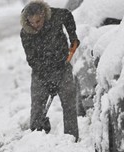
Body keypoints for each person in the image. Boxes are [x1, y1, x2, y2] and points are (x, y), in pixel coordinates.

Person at [20, 0, 80, 141]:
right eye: (32, 22)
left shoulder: (55, 15)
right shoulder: (26, 33)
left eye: (38, 21)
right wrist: (49, 79)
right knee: (37, 106)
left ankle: (71, 139)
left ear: (43, 15)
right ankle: (36, 137)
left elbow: (67, 14)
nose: (36, 25)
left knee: (69, 104)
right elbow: (32, 59)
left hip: (63, 66)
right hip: (40, 72)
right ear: (27, 20)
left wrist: (73, 36)